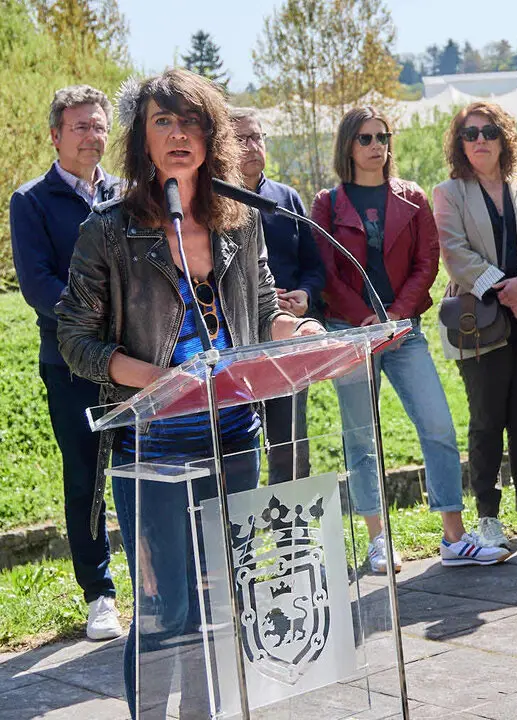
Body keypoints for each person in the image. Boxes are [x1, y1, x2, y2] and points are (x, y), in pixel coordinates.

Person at [54, 68, 324, 716]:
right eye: (162, 122)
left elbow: (259, 313)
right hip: (153, 449)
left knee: (220, 604)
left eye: (190, 121)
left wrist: (303, 331)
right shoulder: (109, 228)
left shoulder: (240, 220)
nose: (178, 134)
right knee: (165, 609)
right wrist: (155, 379)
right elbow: (74, 337)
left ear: (211, 134)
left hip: (234, 441)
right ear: (141, 140)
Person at [312, 106, 509, 569]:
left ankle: (454, 538)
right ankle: (379, 541)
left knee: (438, 427)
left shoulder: (412, 197)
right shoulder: (328, 203)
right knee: (361, 439)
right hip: (351, 333)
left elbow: (428, 261)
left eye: (382, 136)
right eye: (364, 138)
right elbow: (327, 271)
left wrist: (398, 315)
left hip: (405, 333)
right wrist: (364, 318)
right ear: (348, 145)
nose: (376, 145)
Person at [10, 85, 123, 642]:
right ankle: (99, 592)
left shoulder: (127, 195)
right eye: (79, 126)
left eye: (98, 125)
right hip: (72, 364)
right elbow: (38, 286)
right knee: (86, 477)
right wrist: (96, 329)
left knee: (142, 468)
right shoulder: (31, 201)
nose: (91, 136)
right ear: (55, 135)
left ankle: (156, 579)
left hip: (136, 362)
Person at [434, 101, 517, 547]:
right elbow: (454, 253)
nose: (479, 141)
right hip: (480, 320)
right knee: (487, 419)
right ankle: (488, 516)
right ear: (459, 143)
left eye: (488, 132)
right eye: (469, 134)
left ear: (504, 137)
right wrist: (505, 292)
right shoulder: (449, 192)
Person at [230, 106, 325, 483]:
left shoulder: (286, 198)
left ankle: (294, 538)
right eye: (242, 140)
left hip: (286, 344)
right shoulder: (211, 205)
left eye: (258, 137)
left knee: (290, 448)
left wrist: (304, 294)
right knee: (240, 454)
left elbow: (315, 266)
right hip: (237, 344)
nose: (253, 147)